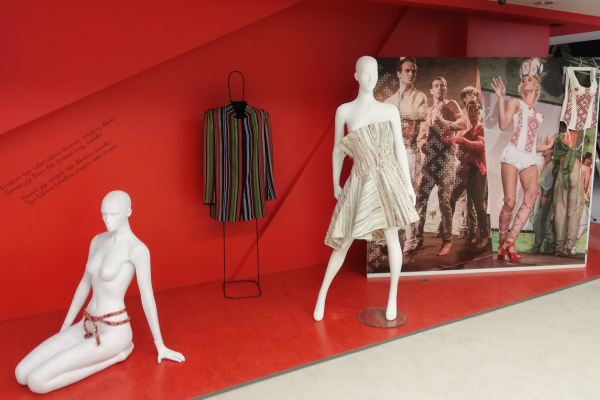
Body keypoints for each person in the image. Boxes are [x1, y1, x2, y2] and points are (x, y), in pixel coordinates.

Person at [15, 191, 184, 394]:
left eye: (113, 214)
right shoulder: (97, 241)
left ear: (128, 212)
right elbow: (84, 284)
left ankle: (117, 355)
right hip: (86, 324)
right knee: (21, 373)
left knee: (37, 382)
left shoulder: (137, 249)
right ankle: (113, 353)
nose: (107, 219)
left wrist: (160, 344)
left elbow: (147, 296)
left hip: (114, 331)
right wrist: (65, 326)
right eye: (104, 214)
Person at [317, 56, 418, 322]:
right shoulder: (344, 110)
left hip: (388, 179)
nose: (371, 78)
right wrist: (335, 183)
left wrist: (408, 185)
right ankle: (322, 296)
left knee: (393, 238)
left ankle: (392, 298)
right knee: (343, 241)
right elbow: (338, 151)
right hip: (360, 180)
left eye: (374, 72)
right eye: (365, 73)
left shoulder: (389, 110)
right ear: (356, 76)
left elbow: (399, 148)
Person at [491, 59, 553, 262]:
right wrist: (501, 98)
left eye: (529, 79)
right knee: (510, 201)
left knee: (531, 196)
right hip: (513, 153)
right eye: (523, 79)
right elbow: (503, 125)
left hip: (528, 157)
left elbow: (532, 145)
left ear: (536, 86)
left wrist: (547, 146)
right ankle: (501, 244)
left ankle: (511, 242)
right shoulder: (516, 103)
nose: (525, 81)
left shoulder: (538, 115)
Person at [415, 77, 467, 256]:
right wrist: (423, 145)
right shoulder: (428, 111)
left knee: (444, 200)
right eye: (436, 86)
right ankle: (418, 239)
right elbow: (421, 137)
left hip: (446, 157)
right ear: (431, 90)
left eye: (442, 85)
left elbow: (463, 123)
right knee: (421, 198)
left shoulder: (451, 105)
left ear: (446, 89)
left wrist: (446, 123)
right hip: (431, 158)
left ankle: (447, 240)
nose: (439, 88)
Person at [384, 57, 428, 262]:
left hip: (410, 151)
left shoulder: (419, 96)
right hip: (392, 151)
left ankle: (410, 244)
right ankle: (388, 241)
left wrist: (396, 114)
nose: (411, 74)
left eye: (414, 71)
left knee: (410, 197)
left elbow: (421, 114)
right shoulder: (390, 100)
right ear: (399, 73)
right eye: (407, 70)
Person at [450, 101, 489, 249]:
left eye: (475, 110)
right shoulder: (463, 131)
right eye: (470, 110)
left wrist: (464, 142)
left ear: (479, 112)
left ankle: (484, 235)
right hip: (464, 170)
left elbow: (482, 146)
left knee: (478, 203)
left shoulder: (481, 128)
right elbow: (458, 151)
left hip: (477, 170)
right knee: (456, 199)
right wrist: (461, 149)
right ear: (467, 112)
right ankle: (452, 232)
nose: (473, 112)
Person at [553, 126, 590, 256]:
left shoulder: (561, 138)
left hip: (562, 171)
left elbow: (556, 157)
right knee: (575, 209)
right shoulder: (583, 137)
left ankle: (559, 247)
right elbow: (583, 154)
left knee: (560, 209)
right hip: (576, 169)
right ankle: (569, 246)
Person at [527, 146, 555, 254]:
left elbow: (552, 184)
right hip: (539, 197)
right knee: (539, 222)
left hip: (547, 197)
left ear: (552, 150)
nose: (544, 149)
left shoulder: (553, 165)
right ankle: (549, 245)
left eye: (547, 148)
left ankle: (554, 244)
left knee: (541, 222)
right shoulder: (542, 165)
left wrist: (546, 196)